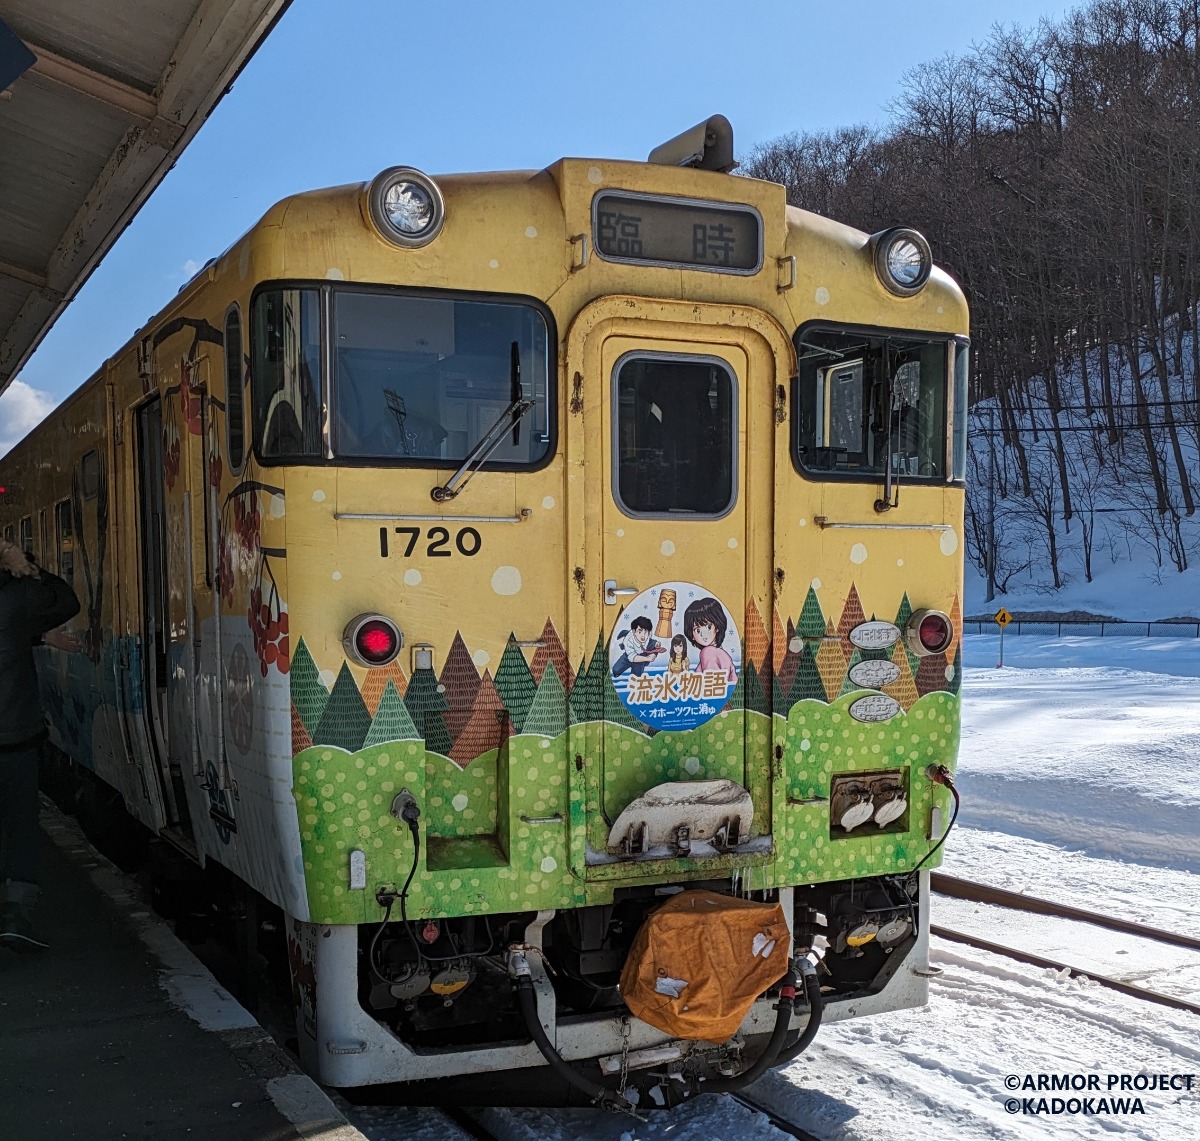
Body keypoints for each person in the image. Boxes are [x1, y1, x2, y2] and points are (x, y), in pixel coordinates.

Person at [0, 538, 81, 952]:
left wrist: (38, 639)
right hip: (13, 735)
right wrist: (27, 567)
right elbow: (66, 601)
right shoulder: (18, 596)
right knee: (20, 826)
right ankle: (15, 915)